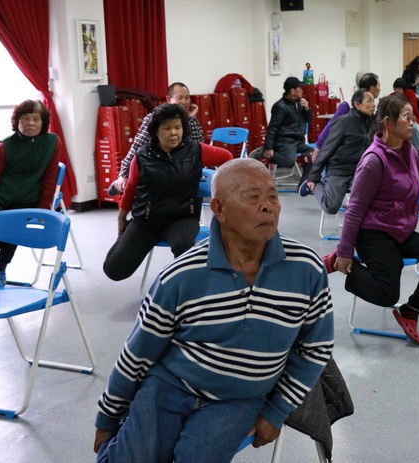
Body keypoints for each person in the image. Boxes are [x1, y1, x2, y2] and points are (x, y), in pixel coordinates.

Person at [94, 158, 335, 463]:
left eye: (273, 196)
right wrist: (107, 418)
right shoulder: (181, 276)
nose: (268, 206)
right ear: (219, 210)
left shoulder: (306, 268)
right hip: (170, 386)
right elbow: (137, 354)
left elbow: (316, 348)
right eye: (252, 196)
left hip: (239, 398)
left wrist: (276, 413)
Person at [321, 95, 419, 345]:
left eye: (413, 117)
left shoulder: (410, 152)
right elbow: (355, 210)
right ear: (388, 123)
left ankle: (411, 310)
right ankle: (340, 263)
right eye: (407, 117)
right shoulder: (373, 161)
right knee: (387, 293)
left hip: (400, 231)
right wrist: (346, 250)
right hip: (374, 233)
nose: (413, 123)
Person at [102, 104, 232, 281]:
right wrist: (121, 218)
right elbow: (131, 188)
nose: (173, 133)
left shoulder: (195, 150)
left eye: (178, 127)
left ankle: (184, 290)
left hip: (182, 217)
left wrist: (222, 191)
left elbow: (228, 158)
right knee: (114, 270)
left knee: (184, 247)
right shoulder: (142, 156)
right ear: (156, 131)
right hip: (147, 220)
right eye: (167, 128)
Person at [0, 100, 60, 286]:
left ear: (43, 123)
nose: (30, 123)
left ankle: (0, 268)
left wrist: (43, 211)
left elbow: (50, 179)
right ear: (17, 122)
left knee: (13, 229)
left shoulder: (52, 142)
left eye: (36, 119)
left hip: (26, 200)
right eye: (25, 118)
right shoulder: (4, 147)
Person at [108, 82, 204, 196]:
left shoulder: (188, 119)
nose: (184, 102)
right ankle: (122, 183)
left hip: (181, 167)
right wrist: (123, 174)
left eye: (187, 98)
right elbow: (137, 147)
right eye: (180, 98)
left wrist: (191, 118)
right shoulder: (155, 118)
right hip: (157, 166)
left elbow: (199, 143)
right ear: (169, 99)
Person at [300, 89, 375, 215]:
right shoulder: (343, 123)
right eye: (369, 101)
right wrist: (313, 176)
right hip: (339, 170)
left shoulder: (372, 124)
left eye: (374, 101)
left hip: (358, 171)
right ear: (357, 104)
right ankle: (312, 185)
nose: (374, 104)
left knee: (373, 194)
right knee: (331, 207)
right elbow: (326, 150)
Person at [250, 76, 314, 184]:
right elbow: (272, 128)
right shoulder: (280, 106)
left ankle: (304, 183)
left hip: (297, 140)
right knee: (289, 162)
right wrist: (269, 146)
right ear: (292, 91)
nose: (302, 91)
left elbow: (308, 120)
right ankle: (265, 153)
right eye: (300, 88)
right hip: (284, 139)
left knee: (314, 154)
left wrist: (307, 108)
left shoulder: (299, 103)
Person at [312, 72, 381, 160]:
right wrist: (317, 148)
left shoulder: (372, 106)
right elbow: (330, 126)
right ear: (372, 88)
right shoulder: (347, 105)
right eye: (379, 86)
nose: (380, 89)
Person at [391, 77, 419, 152]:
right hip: (397, 119)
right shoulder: (391, 96)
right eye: (396, 88)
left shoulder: (410, 93)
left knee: (415, 128)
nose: (397, 90)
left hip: (410, 118)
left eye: (399, 88)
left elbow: (412, 109)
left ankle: (417, 150)